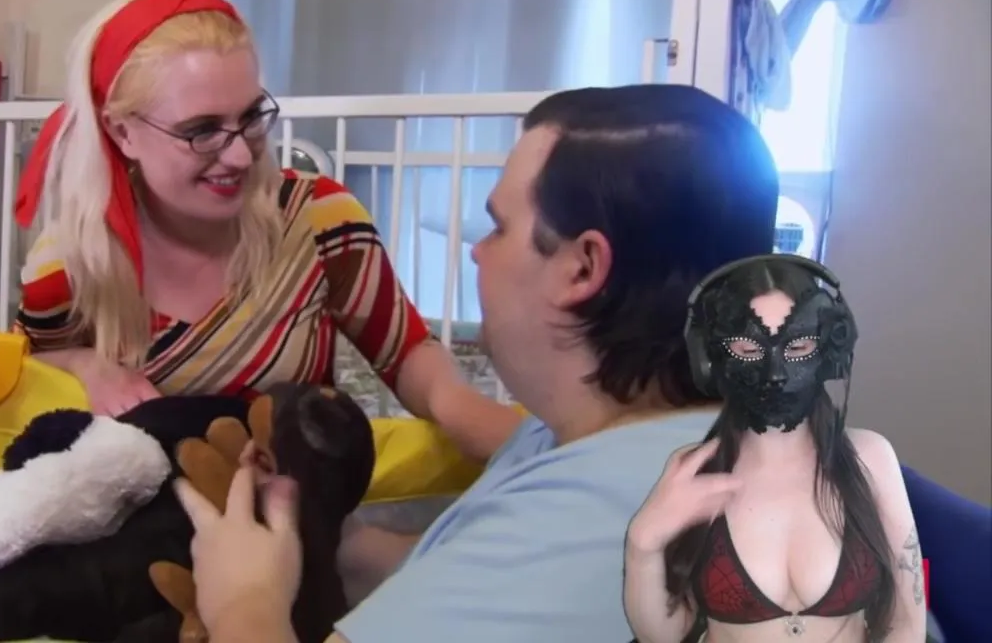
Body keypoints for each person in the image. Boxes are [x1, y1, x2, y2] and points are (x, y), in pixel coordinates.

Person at [174, 84, 784, 642]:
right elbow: (455, 581)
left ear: (581, 268)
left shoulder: (602, 521)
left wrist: (245, 601)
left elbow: (515, 574)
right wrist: (318, 539)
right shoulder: (613, 429)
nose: (476, 251)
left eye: (498, 227)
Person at [11, 0, 519, 462]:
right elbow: (20, 371)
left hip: (302, 513)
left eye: (251, 117)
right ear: (122, 133)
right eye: (202, 130)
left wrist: (465, 411)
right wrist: (84, 366)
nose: (239, 156)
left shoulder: (320, 219)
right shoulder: (71, 262)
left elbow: (405, 353)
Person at [623, 255, 925, 642]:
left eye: (798, 346)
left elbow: (907, 621)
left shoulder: (871, 458)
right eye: (748, 349)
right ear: (709, 359)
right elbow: (663, 637)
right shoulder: (695, 470)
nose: (776, 373)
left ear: (830, 349)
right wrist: (642, 545)